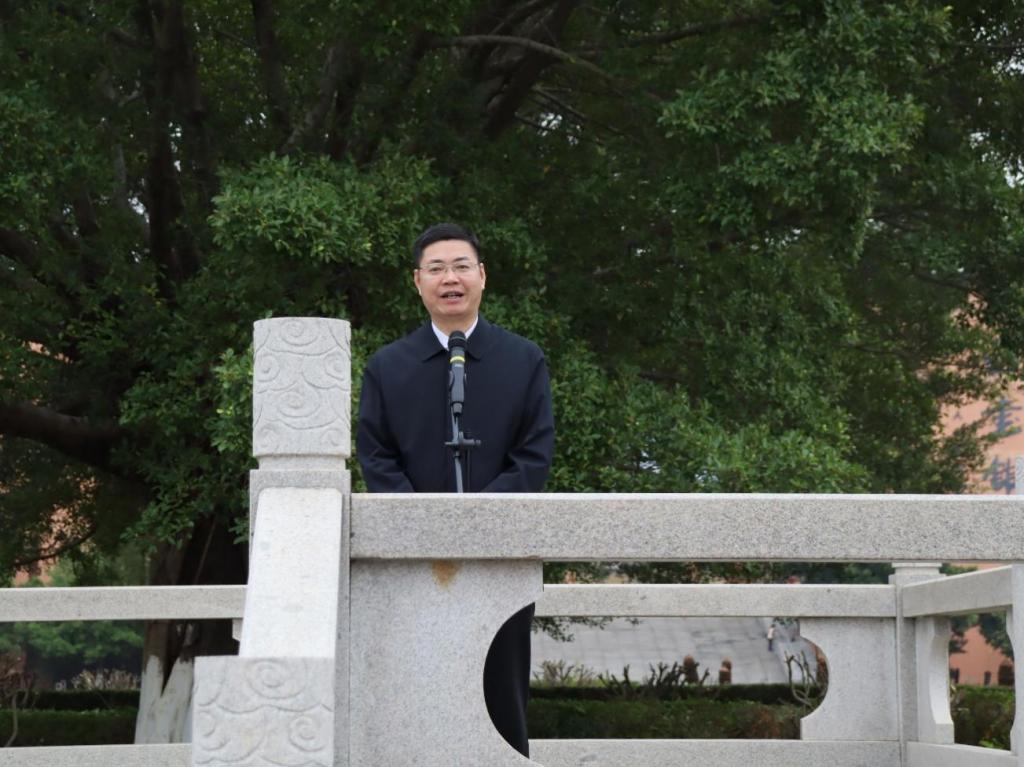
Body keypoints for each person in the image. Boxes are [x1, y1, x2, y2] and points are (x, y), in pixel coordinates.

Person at [356, 222, 555, 757]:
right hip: (414, 564)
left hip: (500, 560)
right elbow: (376, 456)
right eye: (437, 268)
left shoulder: (523, 359)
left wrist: (476, 524)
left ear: (482, 276)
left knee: (500, 698)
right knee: (412, 698)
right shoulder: (387, 366)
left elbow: (534, 456)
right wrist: (425, 527)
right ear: (417, 281)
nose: (451, 278)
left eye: (462, 266)